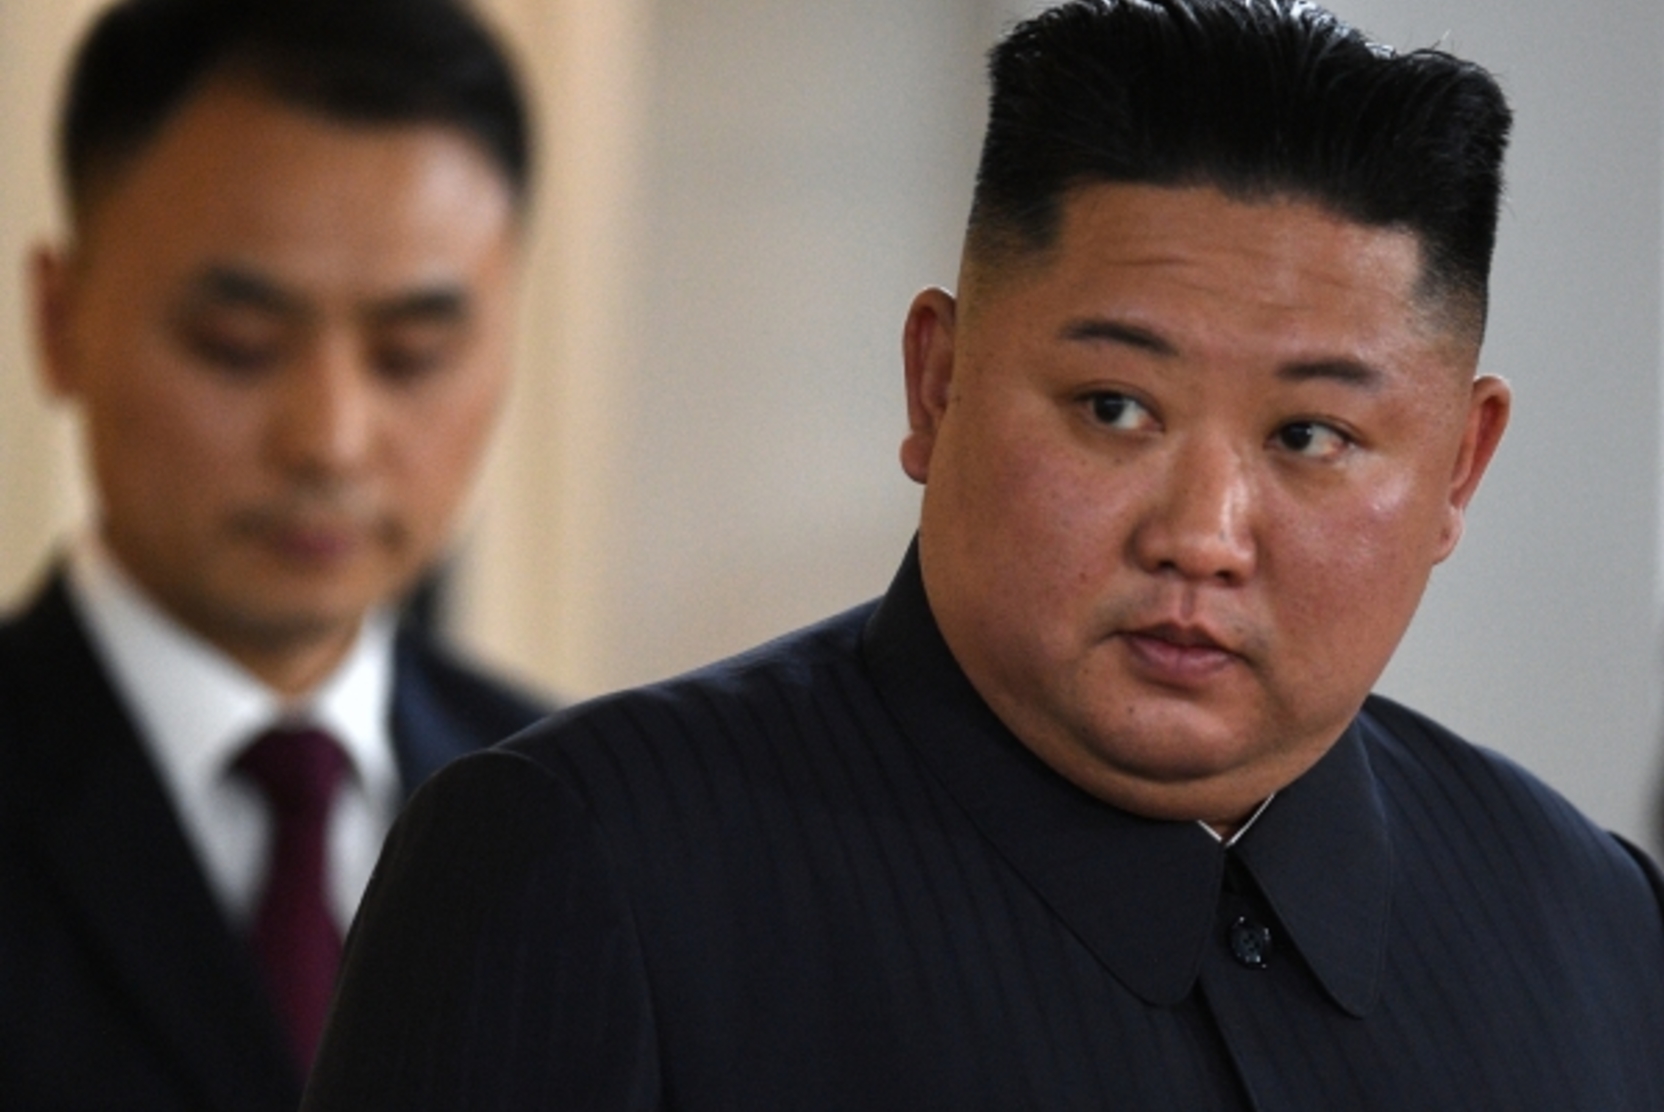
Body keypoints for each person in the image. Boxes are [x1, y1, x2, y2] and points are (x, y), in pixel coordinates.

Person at [305, 1, 1664, 1108]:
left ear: (1458, 468)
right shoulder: (583, 867)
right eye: (1113, 408)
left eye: (1309, 436)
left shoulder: (1596, 926)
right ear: (936, 383)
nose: (1200, 535)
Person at [0, 1, 550, 1108]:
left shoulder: (570, 810)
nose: (330, 439)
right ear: (60, 320)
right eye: (238, 345)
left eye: (412, 353)